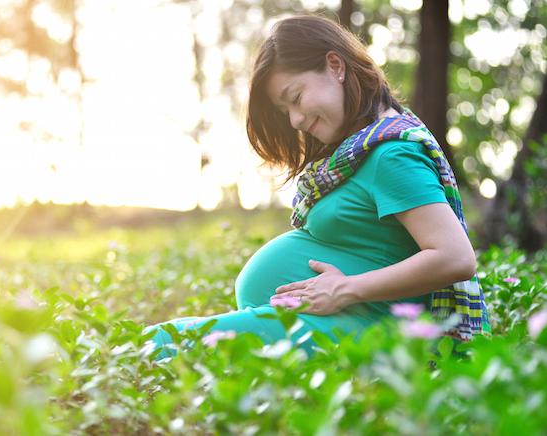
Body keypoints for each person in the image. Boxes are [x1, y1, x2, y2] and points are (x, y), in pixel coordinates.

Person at [142, 15, 491, 361]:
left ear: (335, 66)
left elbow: (455, 257)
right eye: (285, 110)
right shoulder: (360, 151)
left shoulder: (391, 155)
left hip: (370, 335)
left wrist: (346, 289)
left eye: (295, 97)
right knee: (168, 340)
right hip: (345, 325)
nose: (294, 120)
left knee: (164, 343)